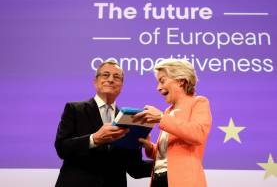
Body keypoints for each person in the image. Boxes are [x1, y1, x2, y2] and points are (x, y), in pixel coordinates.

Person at [54, 60, 152, 187]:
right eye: (105, 75)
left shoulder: (130, 119)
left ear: (121, 85)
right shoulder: (74, 109)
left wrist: (165, 164)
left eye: (117, 77)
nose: (111, 79)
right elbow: (62, 148)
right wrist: (94, 139)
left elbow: (135, 169)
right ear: (95, 81)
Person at [134, 58, 212, 187]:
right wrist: (149, 147)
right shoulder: (168, 111)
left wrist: (161, 117)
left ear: (181, 81)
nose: (158, 88)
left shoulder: (199, 102)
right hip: (159, 180)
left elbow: (198, 134)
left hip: (184, 181)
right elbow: (168, 154)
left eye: (162, 81)